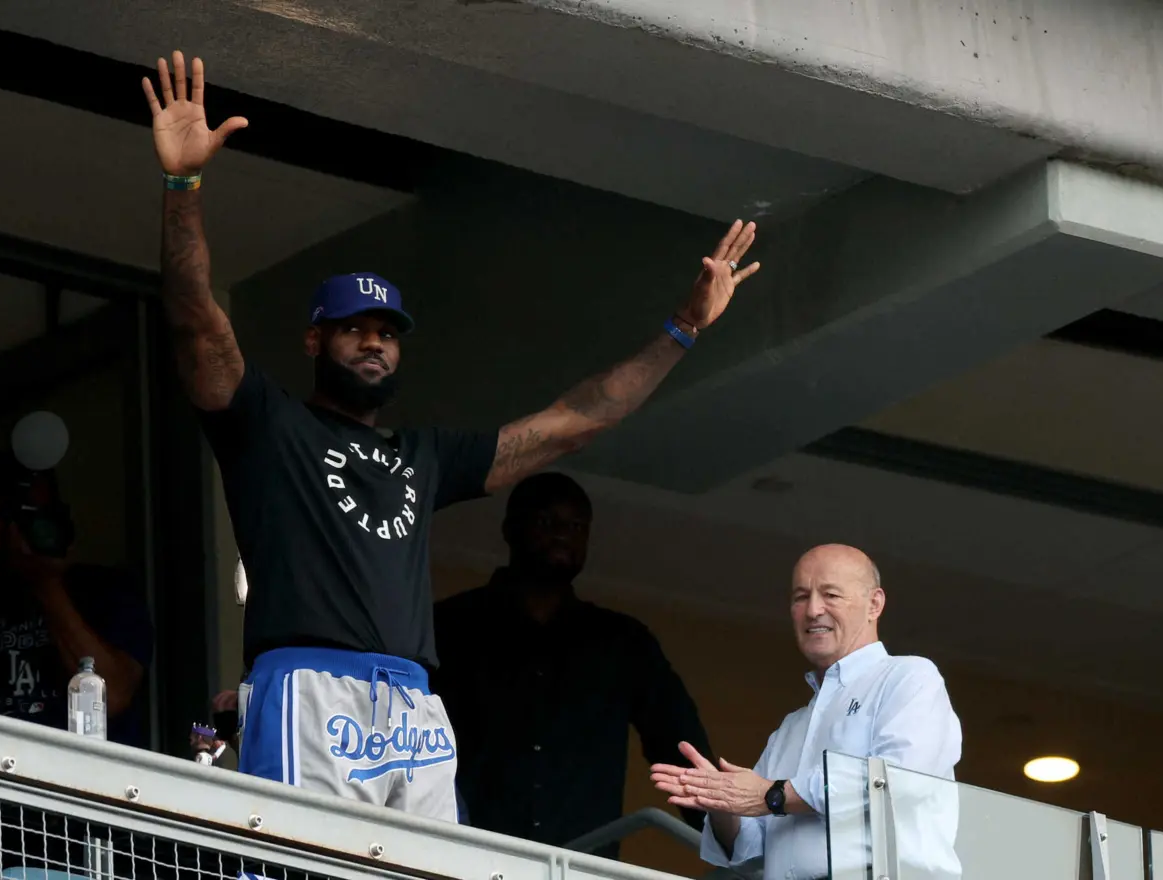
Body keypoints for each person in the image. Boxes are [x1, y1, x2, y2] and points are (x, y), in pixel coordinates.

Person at [139, 50, 760, 821]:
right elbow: (197, 322)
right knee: (312, 863)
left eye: (387, 332)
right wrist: (183, 187)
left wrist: (684, 328)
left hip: (413, 702)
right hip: (310, 682)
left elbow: (576, 422)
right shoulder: (269, 424)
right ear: (314, 341)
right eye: (354, 328)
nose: (374, 341)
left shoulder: (425, 456)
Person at [433, 473, 713, 857]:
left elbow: (680, 749)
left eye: (577, 526)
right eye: (547, 521)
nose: (563, 534)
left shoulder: (623, 643)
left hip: (581, 866)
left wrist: (730, 842)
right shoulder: (449, 626)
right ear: (510, 529)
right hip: (460, 860)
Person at [650, 544, 962, 880]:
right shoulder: (792, 726)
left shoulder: (908, 676)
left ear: (874, 604)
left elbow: (897, 779)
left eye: (831, 595)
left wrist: (773, 794)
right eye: (800, 597)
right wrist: (723, 801)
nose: (813, 610)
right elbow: (750, 849)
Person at [0, 451, 152, 747]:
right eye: (4, 516)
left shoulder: (105, 591)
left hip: (77, 770)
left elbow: (112, 696)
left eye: (35, 514)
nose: (20, 530)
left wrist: (47, 584)